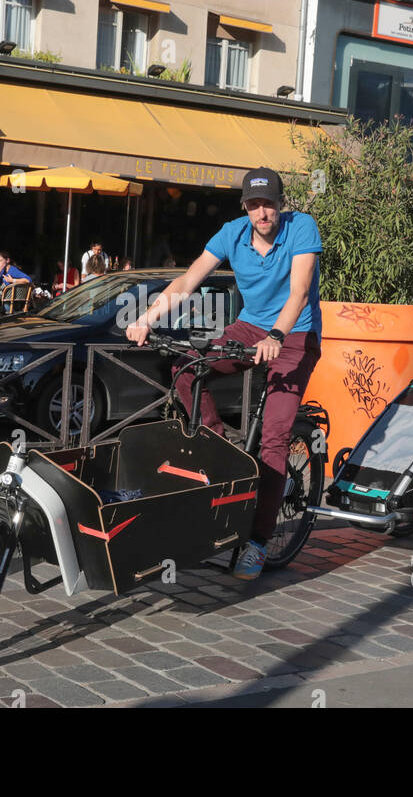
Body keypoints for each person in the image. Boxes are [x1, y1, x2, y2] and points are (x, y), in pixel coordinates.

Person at [125, 166, 322, 580]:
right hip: (249, 329)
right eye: (254, 205)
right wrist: (146, 317)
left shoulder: (302, 228)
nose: (262, 213)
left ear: (280, 205)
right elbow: (188, 280)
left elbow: (300, 291)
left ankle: (258, 541)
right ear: (245, 208)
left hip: (295, 333)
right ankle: (222, 449)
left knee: (274, 439)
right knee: (186, 367)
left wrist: (276, 335)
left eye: (269, 204)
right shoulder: (232, 232)